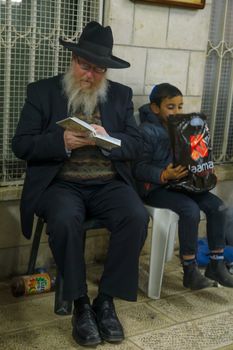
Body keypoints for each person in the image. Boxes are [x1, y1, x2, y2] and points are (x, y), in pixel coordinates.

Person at [12, 21, 149, 347]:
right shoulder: (42, 92)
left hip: (107, 183)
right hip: (61, 184)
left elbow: (137, 145)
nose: (90, 75)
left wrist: (108, 139)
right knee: (63, 218)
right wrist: (61, 143)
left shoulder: (120, 97)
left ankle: (106, 300)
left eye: (98, 69)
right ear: (73, 61)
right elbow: (21, 145)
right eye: (84, 66)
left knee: (136, 216)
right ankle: (80, 305)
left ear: (106, 71)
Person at [133, 82, 233, 291]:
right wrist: (163, 174)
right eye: (171, 107)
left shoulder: (184, 128)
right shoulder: (146, 132)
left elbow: (194, 156)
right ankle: (189, 269)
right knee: (190, 210)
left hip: (183, 185)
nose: (177, 111)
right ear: (155, 108)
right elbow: (138, 168)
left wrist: (204, 168)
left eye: (180, 107)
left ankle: (216, 263)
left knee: (218, 207)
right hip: (156, 188)